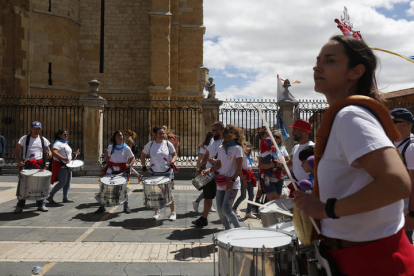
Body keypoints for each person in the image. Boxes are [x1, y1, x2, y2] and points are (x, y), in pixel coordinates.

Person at [294, 35, 414, 275]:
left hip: (373, 261)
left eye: (329, 60)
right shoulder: (348, 115)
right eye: (318, 60)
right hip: (362, 256)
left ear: (356, 71)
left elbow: (397, 184)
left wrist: (326, 210)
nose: (317, 66)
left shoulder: (350, 116)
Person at [201, 125, 244, 230]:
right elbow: (219, 164)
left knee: (226, 210)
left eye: (229, 133)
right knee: (220, 210)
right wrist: (209, 170)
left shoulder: (237, 148)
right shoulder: (221, 148)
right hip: (220, 182)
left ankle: (238, 228)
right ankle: (227, 229)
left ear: (233, 135)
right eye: (225, 133)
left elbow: (239, 168)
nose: (226, 135)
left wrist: (232, 181)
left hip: (232, 184)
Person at [13, 121, 52, 213]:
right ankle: (20, 205)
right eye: (35, 128)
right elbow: (16, 151)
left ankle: (41, 204)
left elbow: (49, 150)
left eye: (38, 129)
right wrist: (19, 161)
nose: (37, 130)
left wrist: (49, 154)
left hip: (39, 165)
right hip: (27, 164)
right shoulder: (24, 138)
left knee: (40, 184)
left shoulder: (43, 140)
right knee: (24, 185)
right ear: (31, 128)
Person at [140, 126, 177, 221]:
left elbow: (175, 155)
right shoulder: (150, 144)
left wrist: (172, 162)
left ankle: (173, 213)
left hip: (166, 172)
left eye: (163, 133)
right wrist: (143, 165)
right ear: (155, 135)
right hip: (154, 172)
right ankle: (157, 211)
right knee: (156, 193)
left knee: (168, 193)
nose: (162, 135)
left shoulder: (168, 144)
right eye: (160, 133)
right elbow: (143, 155)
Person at [192, 121, 224, 227]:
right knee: (208, 197)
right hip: (208, 173)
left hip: (220, 174)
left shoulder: (226, 142)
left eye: (214, 130)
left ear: (220, 130)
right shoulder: (211, 141)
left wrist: (215, 162)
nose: (212, 133)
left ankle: (226, 220)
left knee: (222, 199)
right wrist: (200, 168)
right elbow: (207, 154)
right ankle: (204, 218)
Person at [96, 130, 135, 214]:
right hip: (111, 169)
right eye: (118, 135)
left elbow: (133, 158)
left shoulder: (126, 147)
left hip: (122, 170)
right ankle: (102, 206)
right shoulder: (111, 147)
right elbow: (108, 156)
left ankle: (126, 206)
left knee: (124, 188)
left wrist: (129, 166)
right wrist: (106, 161)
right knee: (105, 188)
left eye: (121, 135)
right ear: (115, 137)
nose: (120, 137)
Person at [390, 108, 414, 244]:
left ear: (404, 124)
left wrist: (411, 213)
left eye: (393, 122)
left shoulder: (411, 148)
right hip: (393, 211)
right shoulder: (393, 144)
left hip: (405, 213)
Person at [46, 129, 79, 204]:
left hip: (68, 165)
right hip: (61, 166)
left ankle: (65, 198)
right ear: (60, 135)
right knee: (62, 182)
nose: (66, 135)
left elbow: (66, 153)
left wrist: (74, 154)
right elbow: (54, 153)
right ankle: (50, 196)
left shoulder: (65, 143)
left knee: (67, 182)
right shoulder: (58, 143)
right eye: (65, 134)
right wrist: (63, 158)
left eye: (67, 134)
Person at [258, 129, 290, 201]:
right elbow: (260, 165)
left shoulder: (282, 149)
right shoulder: (264, 149)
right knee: (273, 199)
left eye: (277, 137)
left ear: (280, 139)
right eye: (273, 136)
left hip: (279, 177)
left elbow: (289, 161)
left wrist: (283, 163)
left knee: (277, 200)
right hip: (268, 177)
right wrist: (272, 165)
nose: (275, 138)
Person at [192, 131, 217, 213]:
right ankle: (197, 201)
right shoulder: (204, 147)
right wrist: (198, 170)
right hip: (206, 170)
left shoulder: (214, 145)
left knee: (211, 189)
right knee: (209, 189)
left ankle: (208, 205)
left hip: (211, 169)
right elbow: (200, 160)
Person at [232, 141, 257, 219]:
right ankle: (233, 208)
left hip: (250, 176)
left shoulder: (249, 156)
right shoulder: (242, 156)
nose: (248, 149)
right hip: (244, 177)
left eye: (249, 147)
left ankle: (248, 212)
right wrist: (244, 180)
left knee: (251, 195)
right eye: (246, 146)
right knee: (243, 196)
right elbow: (240, 169)